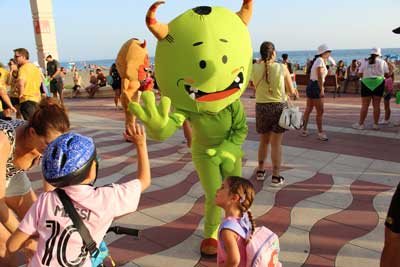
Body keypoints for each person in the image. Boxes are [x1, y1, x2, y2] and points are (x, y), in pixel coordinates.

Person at [7, 123, 150, 267]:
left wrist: (32, 243)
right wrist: (140, 144)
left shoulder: (46, 200)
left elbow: (12, 245)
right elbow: (144, 181)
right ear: (90, 171)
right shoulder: (107, 198)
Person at [0, 98, 69, 266]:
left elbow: (50, 190)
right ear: (32, 133)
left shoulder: (50, 142)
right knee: (6, 245)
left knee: (41, 227)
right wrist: (26, 241)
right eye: (48, 145)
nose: (53, 150)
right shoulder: (4, 140)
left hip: (12, 175)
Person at [251, 41, 298, 186]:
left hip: (261, 108)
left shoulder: (254, 67)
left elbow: (250, 83)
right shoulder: (282, 67)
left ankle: (260, 170)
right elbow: (291, 90)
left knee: (263, 141)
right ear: (273, 53)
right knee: (276, 144)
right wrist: (291, 93)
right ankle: (276, 176)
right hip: (278, 107)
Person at [215, 176, 255, 267]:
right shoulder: (244, 220)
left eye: (222, 187)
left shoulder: (228, 230)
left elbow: (234, 261)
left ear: (234, 197)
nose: (217, 190)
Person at [352, 48, 389, 130]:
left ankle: (361, 124)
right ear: (379, 54)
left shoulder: (364, 62)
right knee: (377, 106)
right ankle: (375, 125)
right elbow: (387, 75)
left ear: (370, 54)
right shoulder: (383, 62)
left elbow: (360, 74)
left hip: (366, 84)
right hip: (379, 84)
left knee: (365, 105)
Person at [302, 44, 331, 141]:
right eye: (328, 51)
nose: (329, 53)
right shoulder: (319, 61)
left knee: (309, 109)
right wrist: (321, 88)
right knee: (320, 111)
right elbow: (319, 76)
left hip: (311, 85)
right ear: (323, 52)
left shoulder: (318, 60)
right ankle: (320, 133)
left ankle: (304, 130)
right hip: (316, 86)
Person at [14, 48, 42, 120]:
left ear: (23, 56)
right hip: (37, 99)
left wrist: (20, 94)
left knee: (30, 124)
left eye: (17, 56)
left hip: (27, 99)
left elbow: (21, 83)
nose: (15, 58)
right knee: (37, 122)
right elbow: (40, 82)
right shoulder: (34, 67)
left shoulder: (23, 68)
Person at [380, 59, 395, 126]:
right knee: (387, 106)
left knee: (386, 107)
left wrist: (384, 92)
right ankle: (387, 119)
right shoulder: (390, 77)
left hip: (387, 93)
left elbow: (386, 88)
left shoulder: (387, 79)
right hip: (389, 93)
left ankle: (386, 120)